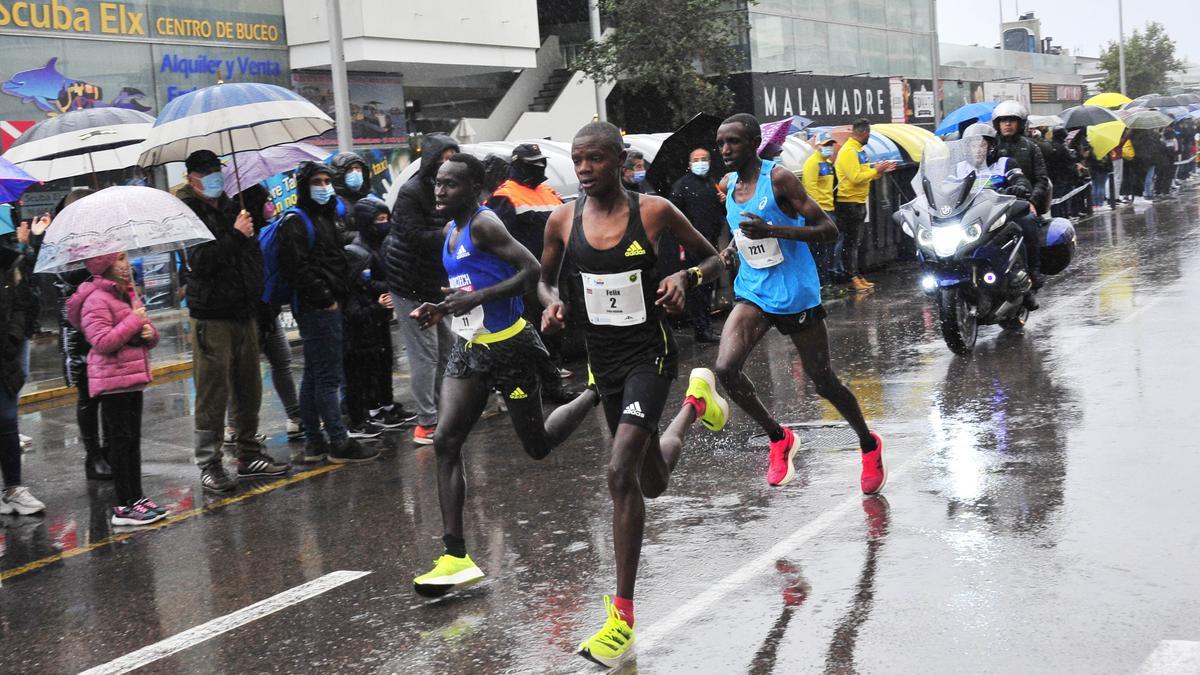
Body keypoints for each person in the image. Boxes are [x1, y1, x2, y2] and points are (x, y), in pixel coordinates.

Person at [538, 121, 728, 668]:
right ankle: (696, 405)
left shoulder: (654, 212)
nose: (583, 169)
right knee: (652, 481)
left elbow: (715, 257)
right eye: (578, 160)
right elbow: (543, 279)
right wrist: (550, 303)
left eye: (595, 159)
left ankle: (620, 617)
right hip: (605, 363)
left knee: (620, 471)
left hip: (651, 355)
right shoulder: (562, 218)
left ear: (620, 160)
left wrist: (686, 278)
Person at [408, 154, 601, 597]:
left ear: (474, 189)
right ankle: (455, 555)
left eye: (451, 185)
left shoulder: (484, 224)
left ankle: (595, 393)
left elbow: (531, 270)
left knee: (537, 446)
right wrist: (440, 307)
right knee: (445, 441)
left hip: (510, 347)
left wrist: (475, 301)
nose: (440, 191)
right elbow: (469, 287)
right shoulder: (449, 231)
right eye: (438, 183)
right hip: (470, 348)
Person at [713, 113, 885, 495]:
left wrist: (773, 230)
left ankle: (868, 443)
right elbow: (738, 230)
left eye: (734, 142)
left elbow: (828, 229)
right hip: (754, 290)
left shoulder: (779, 179)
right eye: (721, 143)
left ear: (753, 142)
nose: (725, 150)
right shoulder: (728, 184)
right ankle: (779, 437)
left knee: (823, 381)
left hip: (795, 293)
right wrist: (729, 251)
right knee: (726, 368)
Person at [178, 149, 286, 492]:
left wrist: (258, 297)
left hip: (243, 311)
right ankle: (209, 462)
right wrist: (237, 235)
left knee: (248, 386)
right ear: (192, 177)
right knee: (212, 391)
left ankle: (248, 452)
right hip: (212, 317)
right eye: (207, 172)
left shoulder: (231, 205)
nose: (215, 177)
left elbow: (250, 257)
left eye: (217, 170)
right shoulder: (187, 214)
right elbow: (201, 262)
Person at [278, 161, 379, 464]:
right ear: (304, 186)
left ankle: (314, 441)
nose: (323, 187)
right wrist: (325, 299)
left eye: (326, 181)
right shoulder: (296, 221)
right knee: (329, 376)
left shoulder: (327, 214)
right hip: (318, 307)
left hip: (327, 303)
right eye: (316, 182)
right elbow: (298, 268)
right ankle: (338, 440)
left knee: (313, 373)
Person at [67, 252, 167, 526]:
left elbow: (144, 333)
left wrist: (150, 334)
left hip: (132, 377)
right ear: (104, 264)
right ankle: (124, 505)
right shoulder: (96, 299)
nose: (126, 265)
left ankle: (137, 497)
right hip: (113, 381)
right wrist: (135, 321)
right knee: (120, 443)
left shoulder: (127, 294)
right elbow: (101, 341)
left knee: (132, 440)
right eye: (119, 259)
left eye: (126, 258)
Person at [486, 143, 581, 402]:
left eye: (541, 161)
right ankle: (543, 386)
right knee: (533, 331)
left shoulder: (548, 191)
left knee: (555, 324)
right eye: (534, 163)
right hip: (528, 278)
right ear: (519, 164)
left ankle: (553, 377)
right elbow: (496, 241)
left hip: (557, 272)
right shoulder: (504, 196)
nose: (540, 167)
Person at [385, 133, 459, 444]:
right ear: (431, 161)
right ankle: (426, 423)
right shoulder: (412, 192)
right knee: (424, 355)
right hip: (409, 283)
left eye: (453, 157)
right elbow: (412, 235)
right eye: (443, 158)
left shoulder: (453, 190)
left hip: (437, 283)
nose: (448, 164)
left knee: (449, 349)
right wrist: (445, 234)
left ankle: (446, 413)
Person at [341, 197, 411, 437]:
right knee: (367, 368)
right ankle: (372, 409)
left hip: (379, 312)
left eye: (386, 219)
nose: (384, 224)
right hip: (368, 315)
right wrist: (386, 289)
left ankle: (387, 404)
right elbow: (364, 283)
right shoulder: (358, 250)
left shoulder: (383, 243)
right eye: (379, 220)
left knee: (384, 360)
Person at [959, 123, 1043, 289]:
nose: (977, 150)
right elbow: (944, 187)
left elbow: (1019, 178)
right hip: (969, 216)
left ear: (991, 146)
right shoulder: (959, 168)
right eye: (973, 145)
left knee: (1027, 220)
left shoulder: (1004, 163)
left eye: (982, 145)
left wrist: (1019, 186)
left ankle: (1032, 271)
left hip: (999, 215)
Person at [0, 240, 44, 516]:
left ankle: (13, 488)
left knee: (6, 418)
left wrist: (14, 336)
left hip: (5, 351)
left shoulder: (7, 263)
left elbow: (21, 302)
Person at [668, 147, 725, 342]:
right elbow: (673, 215)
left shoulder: (713, 183)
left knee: (709, 285)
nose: (700, 163)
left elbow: (721, 214)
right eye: (696, 159)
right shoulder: (681, 186)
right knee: (697, 287)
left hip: (711, 242)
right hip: (691, 244)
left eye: (704, 159)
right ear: (690, 164)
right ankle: (701, 329)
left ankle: (707, 324)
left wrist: (724, 201)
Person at [834, 118, 896, 292]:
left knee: (856, 242)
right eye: (868, 134)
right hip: (848, 202)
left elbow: (864, 174)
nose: (869, 137)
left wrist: (879, 171)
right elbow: (855, 177)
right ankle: (851, 276)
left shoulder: (859, 150)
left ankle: (856, 274)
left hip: (859, 201)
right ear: (863, 133)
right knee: (850, 243)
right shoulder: (848, 151)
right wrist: (875, 170)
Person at [991, 101, 1051, 215]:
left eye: (1012, 120)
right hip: (996, 206)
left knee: (1031, 227)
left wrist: (1032, 202)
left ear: (1020, 123)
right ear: (997, 124)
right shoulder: (990, 147)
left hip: (1025, 203)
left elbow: (1041, 180)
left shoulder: (1031, 147)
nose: (1008, 124)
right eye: (1003, 120)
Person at [801, 132, 842, 287]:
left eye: (831, 145)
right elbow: (810, 189)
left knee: (828, 250)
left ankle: (827, 282)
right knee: (820, 251)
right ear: (818, 146)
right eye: (826, 145)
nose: (829, 148)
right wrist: (818, 213)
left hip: (829, 209)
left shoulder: (828, 164)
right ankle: (822, 284)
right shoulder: (812, 163)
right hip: (820, 212)